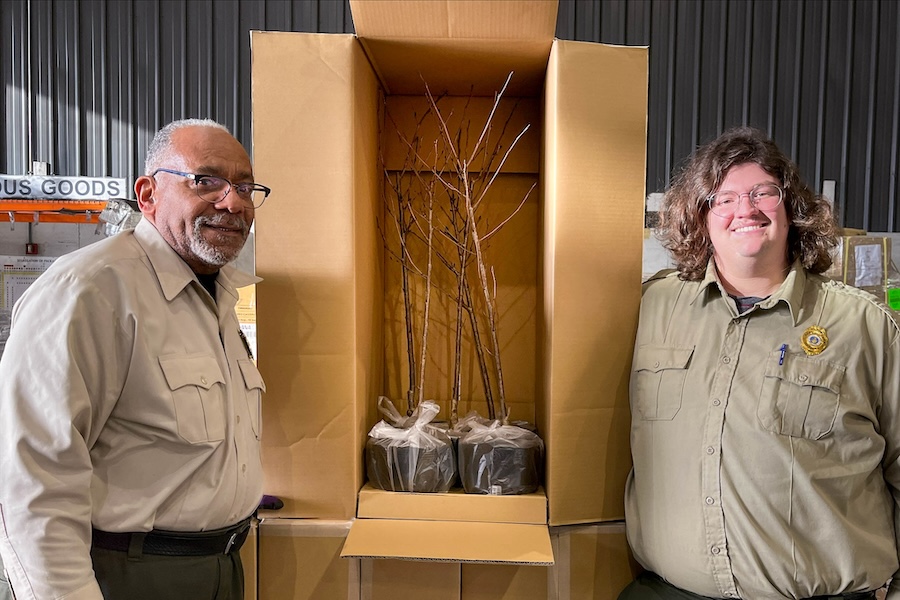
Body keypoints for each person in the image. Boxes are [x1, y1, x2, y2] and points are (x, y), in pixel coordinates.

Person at [620, 126, 900, 600]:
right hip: (669, 591)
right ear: (701, 217)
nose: (744, 210)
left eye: (762, 193)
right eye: (723, 198)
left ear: (791, 208)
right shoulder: (653, 307)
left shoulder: (863, 326)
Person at [0, 118, 269, 600]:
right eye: (205, 181)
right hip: (128, 576)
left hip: (221, 569)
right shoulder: (90, 291)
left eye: (246, 187)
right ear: (148, 194)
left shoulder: (220, 297)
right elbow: (32, 481)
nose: (233, 203)